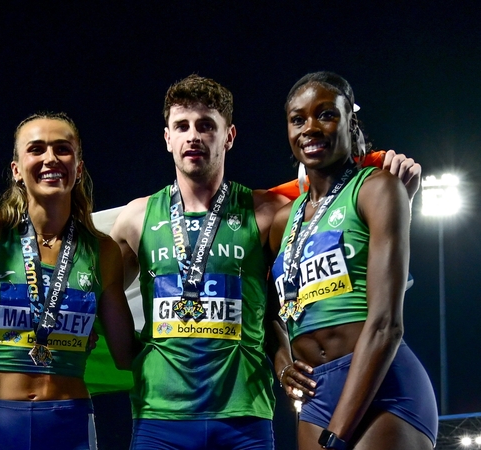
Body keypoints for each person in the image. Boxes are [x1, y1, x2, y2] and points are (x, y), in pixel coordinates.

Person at [109, 74, 422, 450]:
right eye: (182, 126)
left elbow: (325, 262)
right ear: (167, 137)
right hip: (159, 417)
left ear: (229, 136)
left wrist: (399, 196)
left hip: (246, 418)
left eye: (207, 126)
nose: (193, 136)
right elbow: (97, 289)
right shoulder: (135, 218)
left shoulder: (270, 214)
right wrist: (131, 356)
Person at [0, 112, 139, 450]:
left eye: (62, 149)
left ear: (78, 168)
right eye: (36, 149)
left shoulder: (102, 251)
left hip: (69, 422)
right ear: (17, 170)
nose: (50, 158)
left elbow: (126, 354)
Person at [269, 71, 437, 449]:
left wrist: (337, 435)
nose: (310, 127)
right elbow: (267, 315)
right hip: (316, 396)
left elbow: (386, 325)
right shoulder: (283, 221)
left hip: (384, 389)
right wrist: (282, 365)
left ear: (350, 121)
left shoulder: (378, 189)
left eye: (326, 114)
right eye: (298, 119)